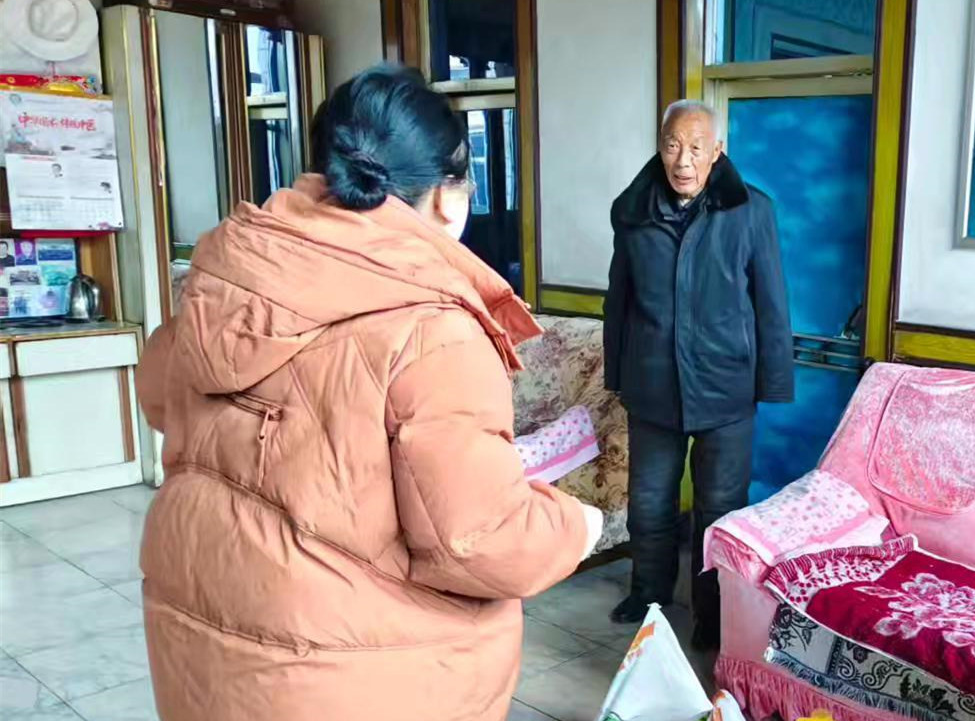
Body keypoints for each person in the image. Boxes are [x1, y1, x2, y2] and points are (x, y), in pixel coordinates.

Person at [136, 65, 603, 721]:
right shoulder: (434, 331)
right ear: (448, 195)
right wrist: (576, 525)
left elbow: (160, 397)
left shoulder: (228, 282)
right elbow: (478, 539)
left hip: (206, 653)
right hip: (360, 674)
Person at [603, 100, 793, 648]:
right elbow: (619, 301)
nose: (682, 160)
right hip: (652, 386)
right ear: (659, 146)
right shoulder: (632, 211)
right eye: (671, 145)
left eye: (695, 147)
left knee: (720, 509)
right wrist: (618, 375)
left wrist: (772, 382)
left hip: (726, 388)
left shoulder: (752, 210)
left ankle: (713, 613)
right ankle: (649, 594)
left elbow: (771, 302)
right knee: (649, 503)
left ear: (717, 151)